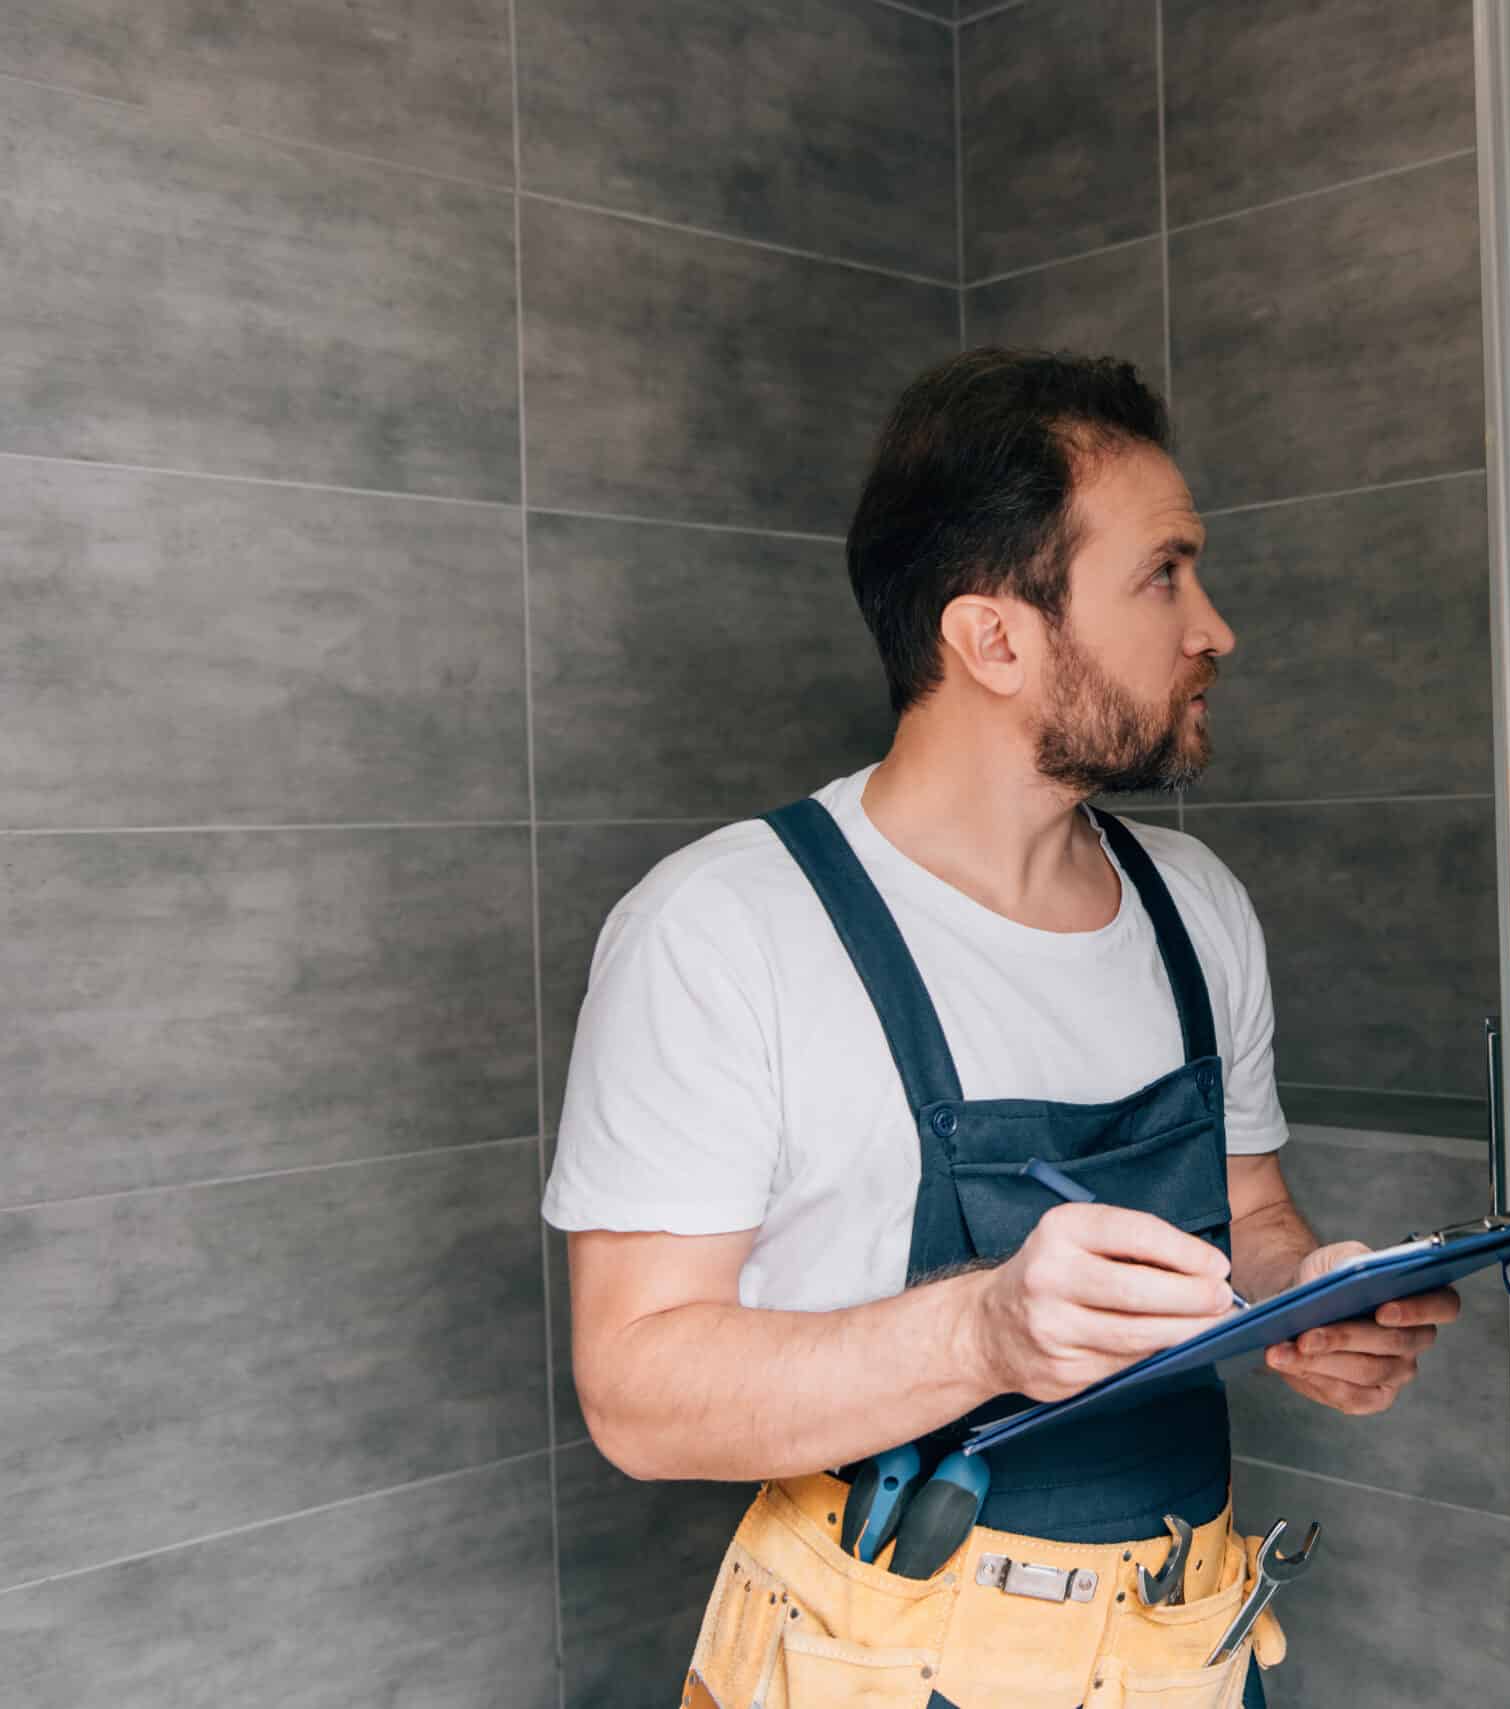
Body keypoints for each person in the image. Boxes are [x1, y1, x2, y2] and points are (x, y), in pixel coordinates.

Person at [541, 348, 1463, 1709]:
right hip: (871, 1654)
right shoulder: (724, 929)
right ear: (994, 640)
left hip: (1184, 1648)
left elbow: (1249, 1210)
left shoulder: (1194, 905)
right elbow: (636, 1389)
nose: (1214, 627)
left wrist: (1307, 1294)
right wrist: (984, 1332)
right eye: (1164, 575)